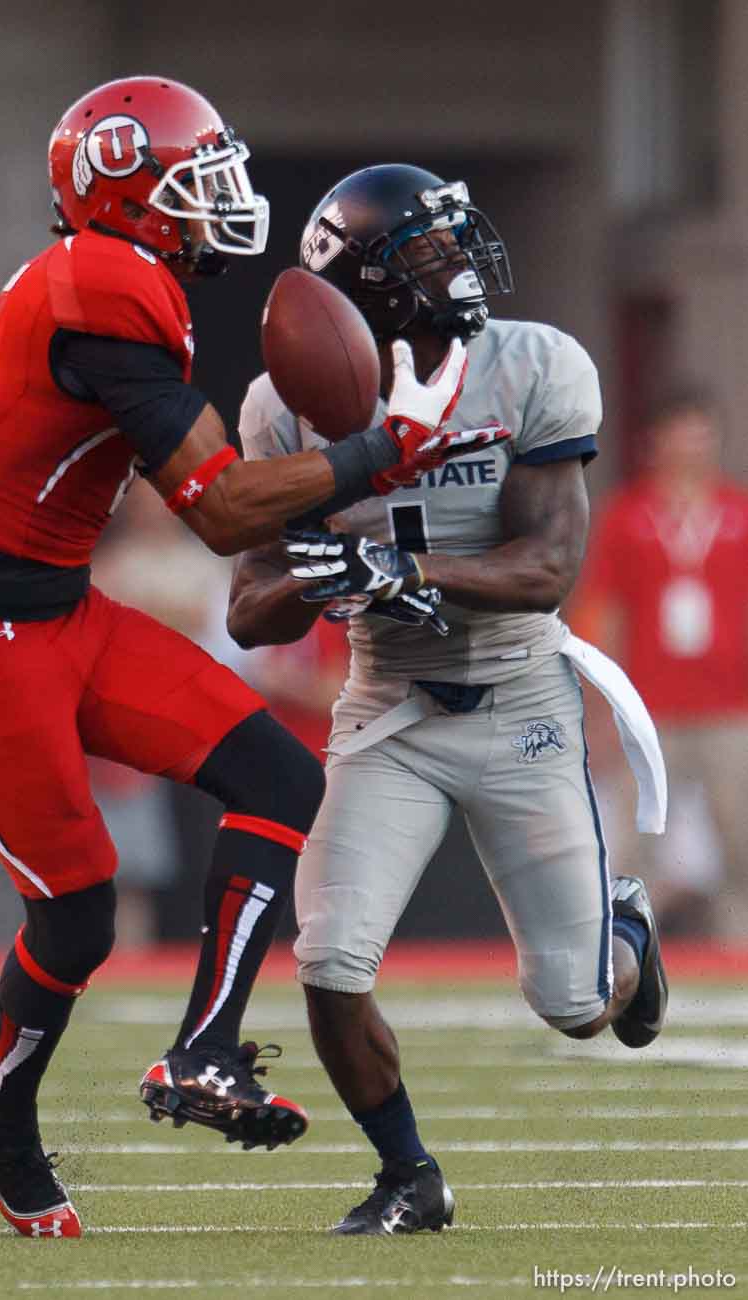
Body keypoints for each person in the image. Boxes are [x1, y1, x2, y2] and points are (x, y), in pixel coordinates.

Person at [0, 81, 487, 1240]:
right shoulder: (105, 284)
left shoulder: (128, 282)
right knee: (77, 916)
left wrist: (365, 459)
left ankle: (205, 1050)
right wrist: (380, 450)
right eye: (192, 177)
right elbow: (217, 509)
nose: (220, 198)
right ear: (124, 188)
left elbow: (213, 485)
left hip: (63, 606)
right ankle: (2, 1115)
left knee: (277, 777)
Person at [228, 163, 670, 1236]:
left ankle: (620, 922)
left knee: (573, 1004)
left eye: (451, 240)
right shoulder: (285, 404)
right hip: (388, 711)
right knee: (328, 958)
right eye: (424, 252)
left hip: (517, 694)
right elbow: (249, 611)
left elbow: (545, 565)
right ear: (368, 288)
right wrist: (314, 578)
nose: (456, 263)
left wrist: (397, 572)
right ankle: (407, 1176)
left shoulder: (528, 364)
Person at [570, 391, 748, 939]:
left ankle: (736, 950)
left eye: (702, 433)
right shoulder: (628, 516)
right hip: (650, 707)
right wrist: (602, 707)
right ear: (655, 442)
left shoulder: (739, 511)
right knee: (640, 846)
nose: (693, 446)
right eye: (681, 434)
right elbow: (607, 615)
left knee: (739, 839)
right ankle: (631, 951)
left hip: (730, 706)